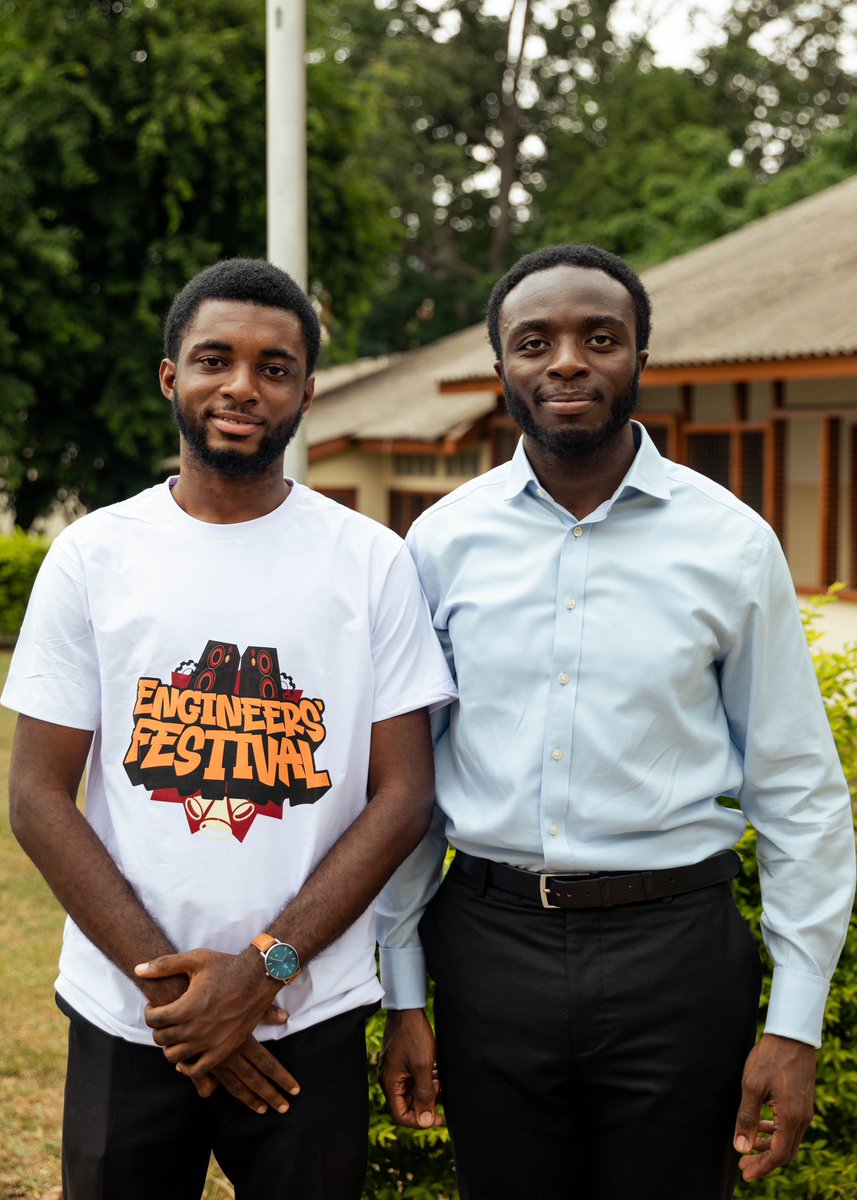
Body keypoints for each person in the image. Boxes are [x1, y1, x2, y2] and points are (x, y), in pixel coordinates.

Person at [376, 243, 856, 1200]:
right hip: (491, 944)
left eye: (599, 338)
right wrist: (403, 992)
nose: (566, 361)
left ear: (639, 356)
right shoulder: (439, 543)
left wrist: (794, 1020)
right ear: (500, 366)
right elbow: (410, 786)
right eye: (533, 341)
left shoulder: (727, 541)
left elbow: (797, 787)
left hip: (675, 954)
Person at [3, 257, 456, 1200]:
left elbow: (405, 792)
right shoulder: (94, 554)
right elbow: (40, 797)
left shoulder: (371, 562)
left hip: (305, 1014)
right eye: (215, 359)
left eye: (275, 366)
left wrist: (261, 972)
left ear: (306, 392)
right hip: (130, 1015)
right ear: (171, 375)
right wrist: (179, 1001)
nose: (242, 387)